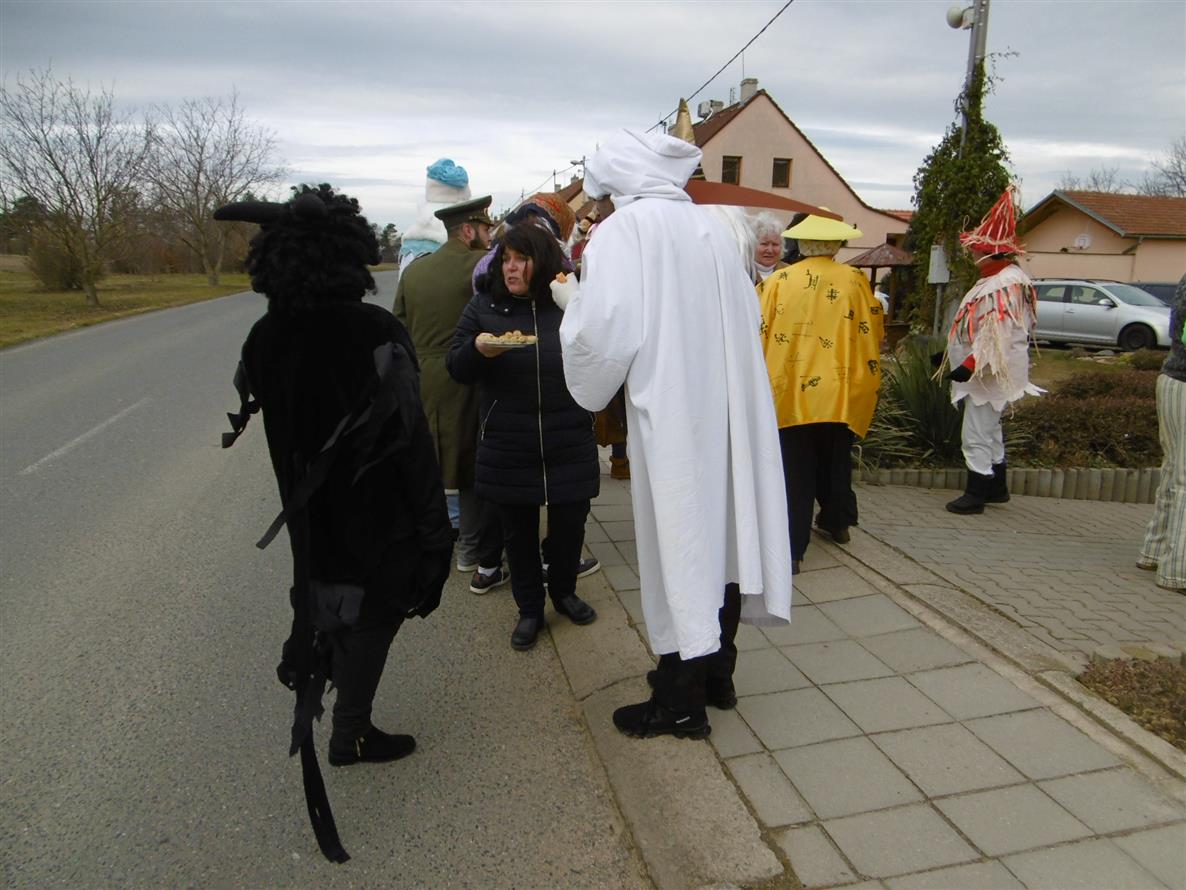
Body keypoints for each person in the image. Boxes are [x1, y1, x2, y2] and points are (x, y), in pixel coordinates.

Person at [216, 185, 454, 861]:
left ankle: (348, 716)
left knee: (336, 602)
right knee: (376, 612)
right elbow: (413, 442)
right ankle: (351, 732)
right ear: (348, 257)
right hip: (380, 514)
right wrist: (435, 533)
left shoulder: (264, 337)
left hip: (311, 515)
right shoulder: (374, 331)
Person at [557, 129, 792, 740]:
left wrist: (570, 303)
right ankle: (717, 675)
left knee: (683, 543)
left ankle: (679, 702)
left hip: (676, 413)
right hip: (730, 409)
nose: (599, 204)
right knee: (725, 537)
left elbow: (604, 337)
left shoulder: (627, 232)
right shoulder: (713, 225)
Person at [446, 223, 601, 651]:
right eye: (506, 259)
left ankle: (564, 593)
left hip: (568, 436)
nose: (510, 268)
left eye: (521, 259)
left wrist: (580, 314)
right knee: (518, 534)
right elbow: (456, 366)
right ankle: (530, 609)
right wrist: (478, 351)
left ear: (543, 262)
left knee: (570, 528)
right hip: (508, 441)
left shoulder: (570, 302)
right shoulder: (484, 306)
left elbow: (602, 352)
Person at [757, 214, 884, 571]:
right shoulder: (855, 280)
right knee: (836, 461)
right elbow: (873, 328)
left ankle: (793, 549)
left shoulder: (778, 281)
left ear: (800, 243)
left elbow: (759, 331)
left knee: (795, 470)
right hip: (840, 390)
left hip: (790, 391)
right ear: (835, 245)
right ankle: (837, 522)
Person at [394, 195, 508, 592]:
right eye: (485, 229)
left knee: (433, 459)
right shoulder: (481, 265)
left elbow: (399, 326)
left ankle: (435, 539)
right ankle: (471, 551)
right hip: (468, 371)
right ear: (468, 230)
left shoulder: (415, 271)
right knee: (472, 462)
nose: (489, 236)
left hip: (424, 377)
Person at [943, 186, 1043, 515]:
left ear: (989, 252)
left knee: (976, 430)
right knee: (991, 429)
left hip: (987, 374)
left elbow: (997, 329)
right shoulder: (1001, 280)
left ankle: (976, 492)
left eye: (976, 249)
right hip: (990, 370)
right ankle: (996, 487)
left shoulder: (1003, 284)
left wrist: (971, 363)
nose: (972, 254)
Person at [1137, 273, 1186, 592]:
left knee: (1174, 472)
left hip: (1174, 380)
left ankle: (1154, 552)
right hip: (1183, 382)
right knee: (1183, 478)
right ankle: (1178, 569)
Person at [752, 211, 789, 283]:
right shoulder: (743, 272)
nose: (770, 250)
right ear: (752, 245)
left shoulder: (790, 272)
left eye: (775, 244)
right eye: (764, 244)